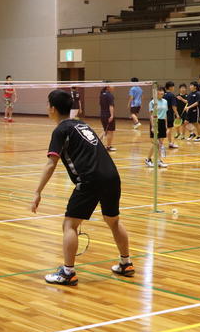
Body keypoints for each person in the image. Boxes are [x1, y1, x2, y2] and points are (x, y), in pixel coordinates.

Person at [31, 89, 133, 286]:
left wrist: (37, 192)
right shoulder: (82, 125)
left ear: (53, 108)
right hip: (112, 176)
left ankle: (68, 273)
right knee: (113, 221)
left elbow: (51, 163)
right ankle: (126, 263)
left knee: (69, 225)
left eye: (48, 104)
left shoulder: (60, 131)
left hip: (90, 179)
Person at [145, 86, 169, 168]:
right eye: (160, 91)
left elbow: (165, 114)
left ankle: (159, 161)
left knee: (160, 144)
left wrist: (166, 125)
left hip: (162, 122)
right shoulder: (152, 102)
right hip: (155, 122)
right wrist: (152, 126)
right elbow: (151, 115)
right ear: (156, 92)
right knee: (156, 143)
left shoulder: (165, 101)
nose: (162, 92)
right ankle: (148, 159)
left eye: (162, 91)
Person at [99, 83, 116, 151]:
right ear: (108, 87)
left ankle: (95, 143)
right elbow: (111, 106)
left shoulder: (101, 94)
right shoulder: (110, 95)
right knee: (110, 132)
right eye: (112, 85)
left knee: (105, 131)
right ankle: (108, 147)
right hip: (108, 115)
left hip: (102, 115)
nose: (114, 87)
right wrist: (111, 115)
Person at [163, 81, 180, 149]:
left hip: (162, 114)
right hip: (169, 113)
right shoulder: (171, 95)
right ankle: (162, 144)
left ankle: (169, 143)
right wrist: (177, 114)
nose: (173, 88)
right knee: (169, 128)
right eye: (173, 86)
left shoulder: (162, 94)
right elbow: (173, 106)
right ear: (170, 87)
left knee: (164, 128)